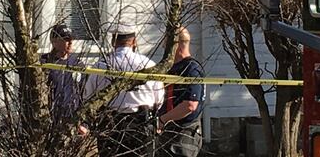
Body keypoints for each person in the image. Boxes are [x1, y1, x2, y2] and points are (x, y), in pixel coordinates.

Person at [83, 22, 164, 157]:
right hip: (141, 124)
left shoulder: (101, 66)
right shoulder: (148, 65)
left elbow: (88, 96)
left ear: (113, 42)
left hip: (110, 124)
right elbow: (159, 99)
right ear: (134, 41)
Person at [156, 27, 205, 157]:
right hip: (169, 129)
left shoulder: (191, 69)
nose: (164, 49)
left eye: (166, 46)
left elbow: (190, 105)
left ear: (175, 45)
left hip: (184, 133)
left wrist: (163, 120)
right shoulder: (171, 68)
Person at [40, 24, 84, 121]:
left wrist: (82, 122)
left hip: (72, 117)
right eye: (66, 39)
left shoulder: (77, 64)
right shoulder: (44, 62)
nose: (71, 42)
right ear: (54, 41)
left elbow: (83, 93)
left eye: (72, 39)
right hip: (49, 116)